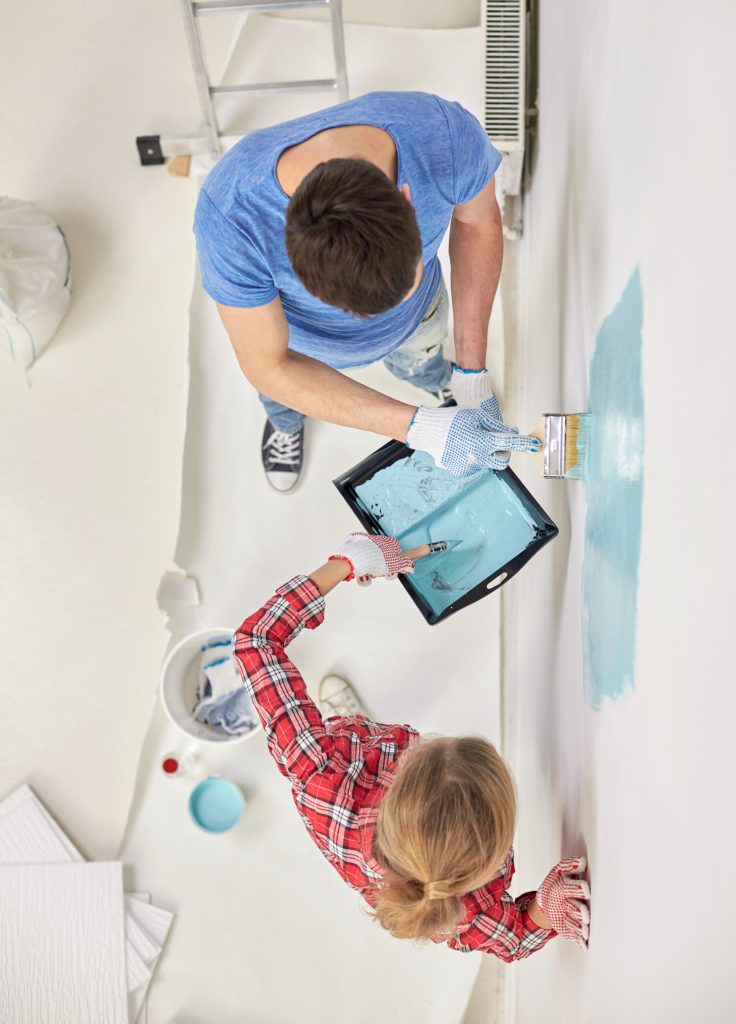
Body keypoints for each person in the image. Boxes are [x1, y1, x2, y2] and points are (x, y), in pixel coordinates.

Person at [231, 532, 591, 959]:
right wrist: (546, 911)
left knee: (347, 730)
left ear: (402, 774)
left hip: (350, 767)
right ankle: (352, 721)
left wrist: (346, 563)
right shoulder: (467, 911)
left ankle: (348, 718)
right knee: (352, 732)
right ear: (495, 853)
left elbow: (254, 642)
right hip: (356, 798)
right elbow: (514, 938)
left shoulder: (322, 772)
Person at [194, 91, 539, 492]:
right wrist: (419, 427)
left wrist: (472, 372)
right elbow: (268, 365)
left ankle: (437, 378)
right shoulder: (232, 219)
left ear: (407, 199)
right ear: (294, 258)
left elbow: (478, 226)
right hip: (302, 354)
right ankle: (287, 422)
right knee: (283, 398)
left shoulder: (444, 138)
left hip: (419, 321)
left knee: (423, 359)